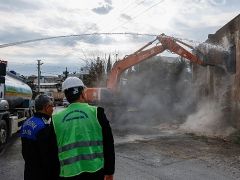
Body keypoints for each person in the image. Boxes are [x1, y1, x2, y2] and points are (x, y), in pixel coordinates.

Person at [52, 77, 115, 180]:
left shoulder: (56, 119)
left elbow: (52, 152)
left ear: (66, 96)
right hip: (95, 171)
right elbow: (108, 144)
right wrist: (109, 172)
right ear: (82, 93)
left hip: (68, 173)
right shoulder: (97, 113)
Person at [20, 94, 59, 180]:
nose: (53, 109)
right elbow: (49, 156)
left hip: (28, 171)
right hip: (41, 174)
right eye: (52, 106)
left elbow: (24, 151)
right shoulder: (44, 127)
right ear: (46, 107)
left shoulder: (26, 122)